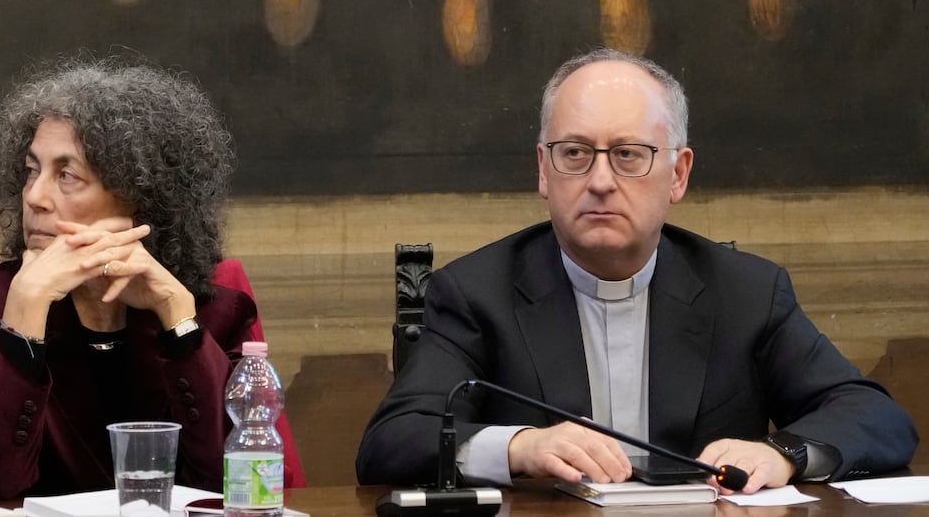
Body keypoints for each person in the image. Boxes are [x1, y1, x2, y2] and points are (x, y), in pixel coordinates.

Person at [357, 48, 917, 493]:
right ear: (544, 172)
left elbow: (876, 417)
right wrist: (518, 448)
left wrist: (782, 453)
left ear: (678, 174)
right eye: (575, 153)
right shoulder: (477, 293)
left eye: (628, 154)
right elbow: (392, 441)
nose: (600, 179)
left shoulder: (747, 292)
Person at [0, 57, 254, 499]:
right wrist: (24, 314)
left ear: (140, 196)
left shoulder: (215, 314)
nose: (34, 197)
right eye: (30, 171)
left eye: (66, 175)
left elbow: (231, 484)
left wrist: (178, 319)